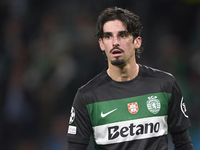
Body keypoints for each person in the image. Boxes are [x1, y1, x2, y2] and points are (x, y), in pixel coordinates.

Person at [67, 7, 193, 150]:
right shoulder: (87, 96)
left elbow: (183, 144)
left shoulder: (165, 85)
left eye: (122, 35)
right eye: (108, 36)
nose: (115, 42)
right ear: (102, 44)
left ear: (137, 41)